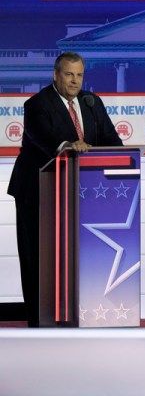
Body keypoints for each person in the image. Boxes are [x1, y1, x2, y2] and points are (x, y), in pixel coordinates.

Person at [7, 52, 123, 327]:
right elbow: (43, 138)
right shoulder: (36, 104)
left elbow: (111, 139)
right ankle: (39, 320)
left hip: (81, 191)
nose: (74, 81)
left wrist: (118, 153)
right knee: (38, 257)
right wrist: (68, 145)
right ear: (56, 75)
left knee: (78, 257)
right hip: (37, 190)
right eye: (69, 74)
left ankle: (80, 315)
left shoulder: (91, 102)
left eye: (79, 75)